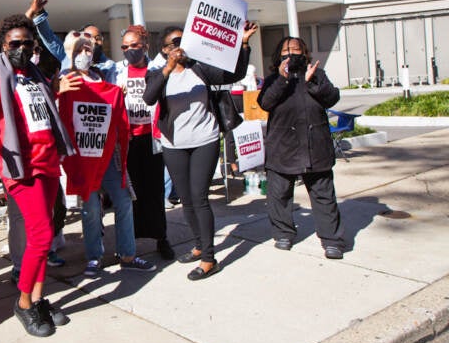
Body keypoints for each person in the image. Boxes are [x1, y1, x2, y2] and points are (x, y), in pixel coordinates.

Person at [0, 14, 75, 337]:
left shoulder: (34, 72)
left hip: (47, 162)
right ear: (4, 45)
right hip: (20, 167)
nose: (22, 48)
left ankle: (39, 298)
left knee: (44, 237)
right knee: (41, 236)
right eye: (15, 43)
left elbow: (41, 111)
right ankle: (25, 303)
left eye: (28, 43)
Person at [143, 22, 257, 281]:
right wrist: (168, 68)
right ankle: (198, 245)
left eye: (182, 40)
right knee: (186, 199)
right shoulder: (157, 73)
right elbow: (149, 97)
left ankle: (208, 258)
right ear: (164, 50)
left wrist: (244, 43)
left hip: (204, 140)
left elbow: (234, 74)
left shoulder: (201, 68)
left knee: (199, 198)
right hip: (174, 145)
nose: (179, 46)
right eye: (173, 42)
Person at [58, 31, 157, 277]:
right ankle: (94, 257)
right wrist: (58, 91)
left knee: (123, 202)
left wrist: (117, 98)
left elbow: (109, 107)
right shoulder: (66, 79)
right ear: (71, 53)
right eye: (79, 50)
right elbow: (57, 110)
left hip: (108, 155)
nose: (84, 54)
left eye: (88, 50)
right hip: (83, 158)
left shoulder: (101, 78)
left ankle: (128, 254)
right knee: (91, 208)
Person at [257, 37, 346, 259]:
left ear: (304, 53)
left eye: (296, 51)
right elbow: (265, 103)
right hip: (282, 147)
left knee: (324, 195)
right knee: (279, 195)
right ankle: (283, 234)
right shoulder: (272, 80)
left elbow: (332, 98)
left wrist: (312, 82)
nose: (291, 56)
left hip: (315, 147)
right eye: (286, 53)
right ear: (279, 57)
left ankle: (331, 239)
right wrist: (282, 79)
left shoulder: (317, 74)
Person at [115, 25, 175, 260]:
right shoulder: (117, 72)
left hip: (153, 139)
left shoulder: (158, 69)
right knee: (132, 193)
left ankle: (161, 237)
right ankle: (131, 241)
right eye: (125, 47)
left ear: (145, 46)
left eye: (134, 45)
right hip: (128, 141)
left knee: (155, 190)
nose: (130, 50)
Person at [26, 0, 117, 82]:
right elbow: (49, 36)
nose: (94, 41)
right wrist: (37, 9)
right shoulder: (67, 54)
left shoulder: (110, 66)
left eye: (98, 38)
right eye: (89, 37)